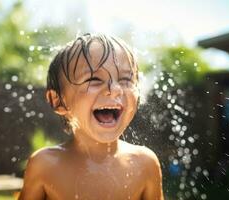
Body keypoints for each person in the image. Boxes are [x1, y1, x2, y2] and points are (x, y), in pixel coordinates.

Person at [18, 33, 164, 200]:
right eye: (94, 79)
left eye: (125, 79)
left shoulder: (145, 164)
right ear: (58, 101)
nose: (115, 89)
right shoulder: (45, 165)